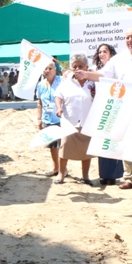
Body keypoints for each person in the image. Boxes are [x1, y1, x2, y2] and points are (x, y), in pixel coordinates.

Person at [77, 28, 132, 189]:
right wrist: (86, 74)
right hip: (127, 105)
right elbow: (104, 74)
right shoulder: (118, 59)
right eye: (127, 37)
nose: (130, 40)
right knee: (129, 139)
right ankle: (131, 178)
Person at [54, 54, 94, 185]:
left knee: (86, 151)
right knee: (64, 149)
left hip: (87, 121)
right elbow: (58, 96)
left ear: (86, 67)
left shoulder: (92, 82)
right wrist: (59, 108)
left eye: (81, 66)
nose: (77, 69)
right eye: (75, 66)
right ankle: (61, 174)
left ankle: (85, 176)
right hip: (69, 121)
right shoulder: (67, 81)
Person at [90, 44, 123, 185]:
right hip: (101, 110)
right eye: (100, 52)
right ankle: (104, 174)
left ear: (111, 53)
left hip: (114, 109)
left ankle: (114, 175)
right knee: (102, 142)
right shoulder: (95, 70)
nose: (102, 54)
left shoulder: (115, 68)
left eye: (105, 51)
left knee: (113, 141)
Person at [36, 61, 62, 178]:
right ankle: (56, 168)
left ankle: (63, 169)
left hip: (61, 118)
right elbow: (39, 103)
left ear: (55, 70)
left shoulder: (62, 81)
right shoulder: (41, 85)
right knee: (52, 145)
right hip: (47, 118)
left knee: (62, 145)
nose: (48, 70)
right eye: (45, 68)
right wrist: (39, 119)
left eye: (50, 68)